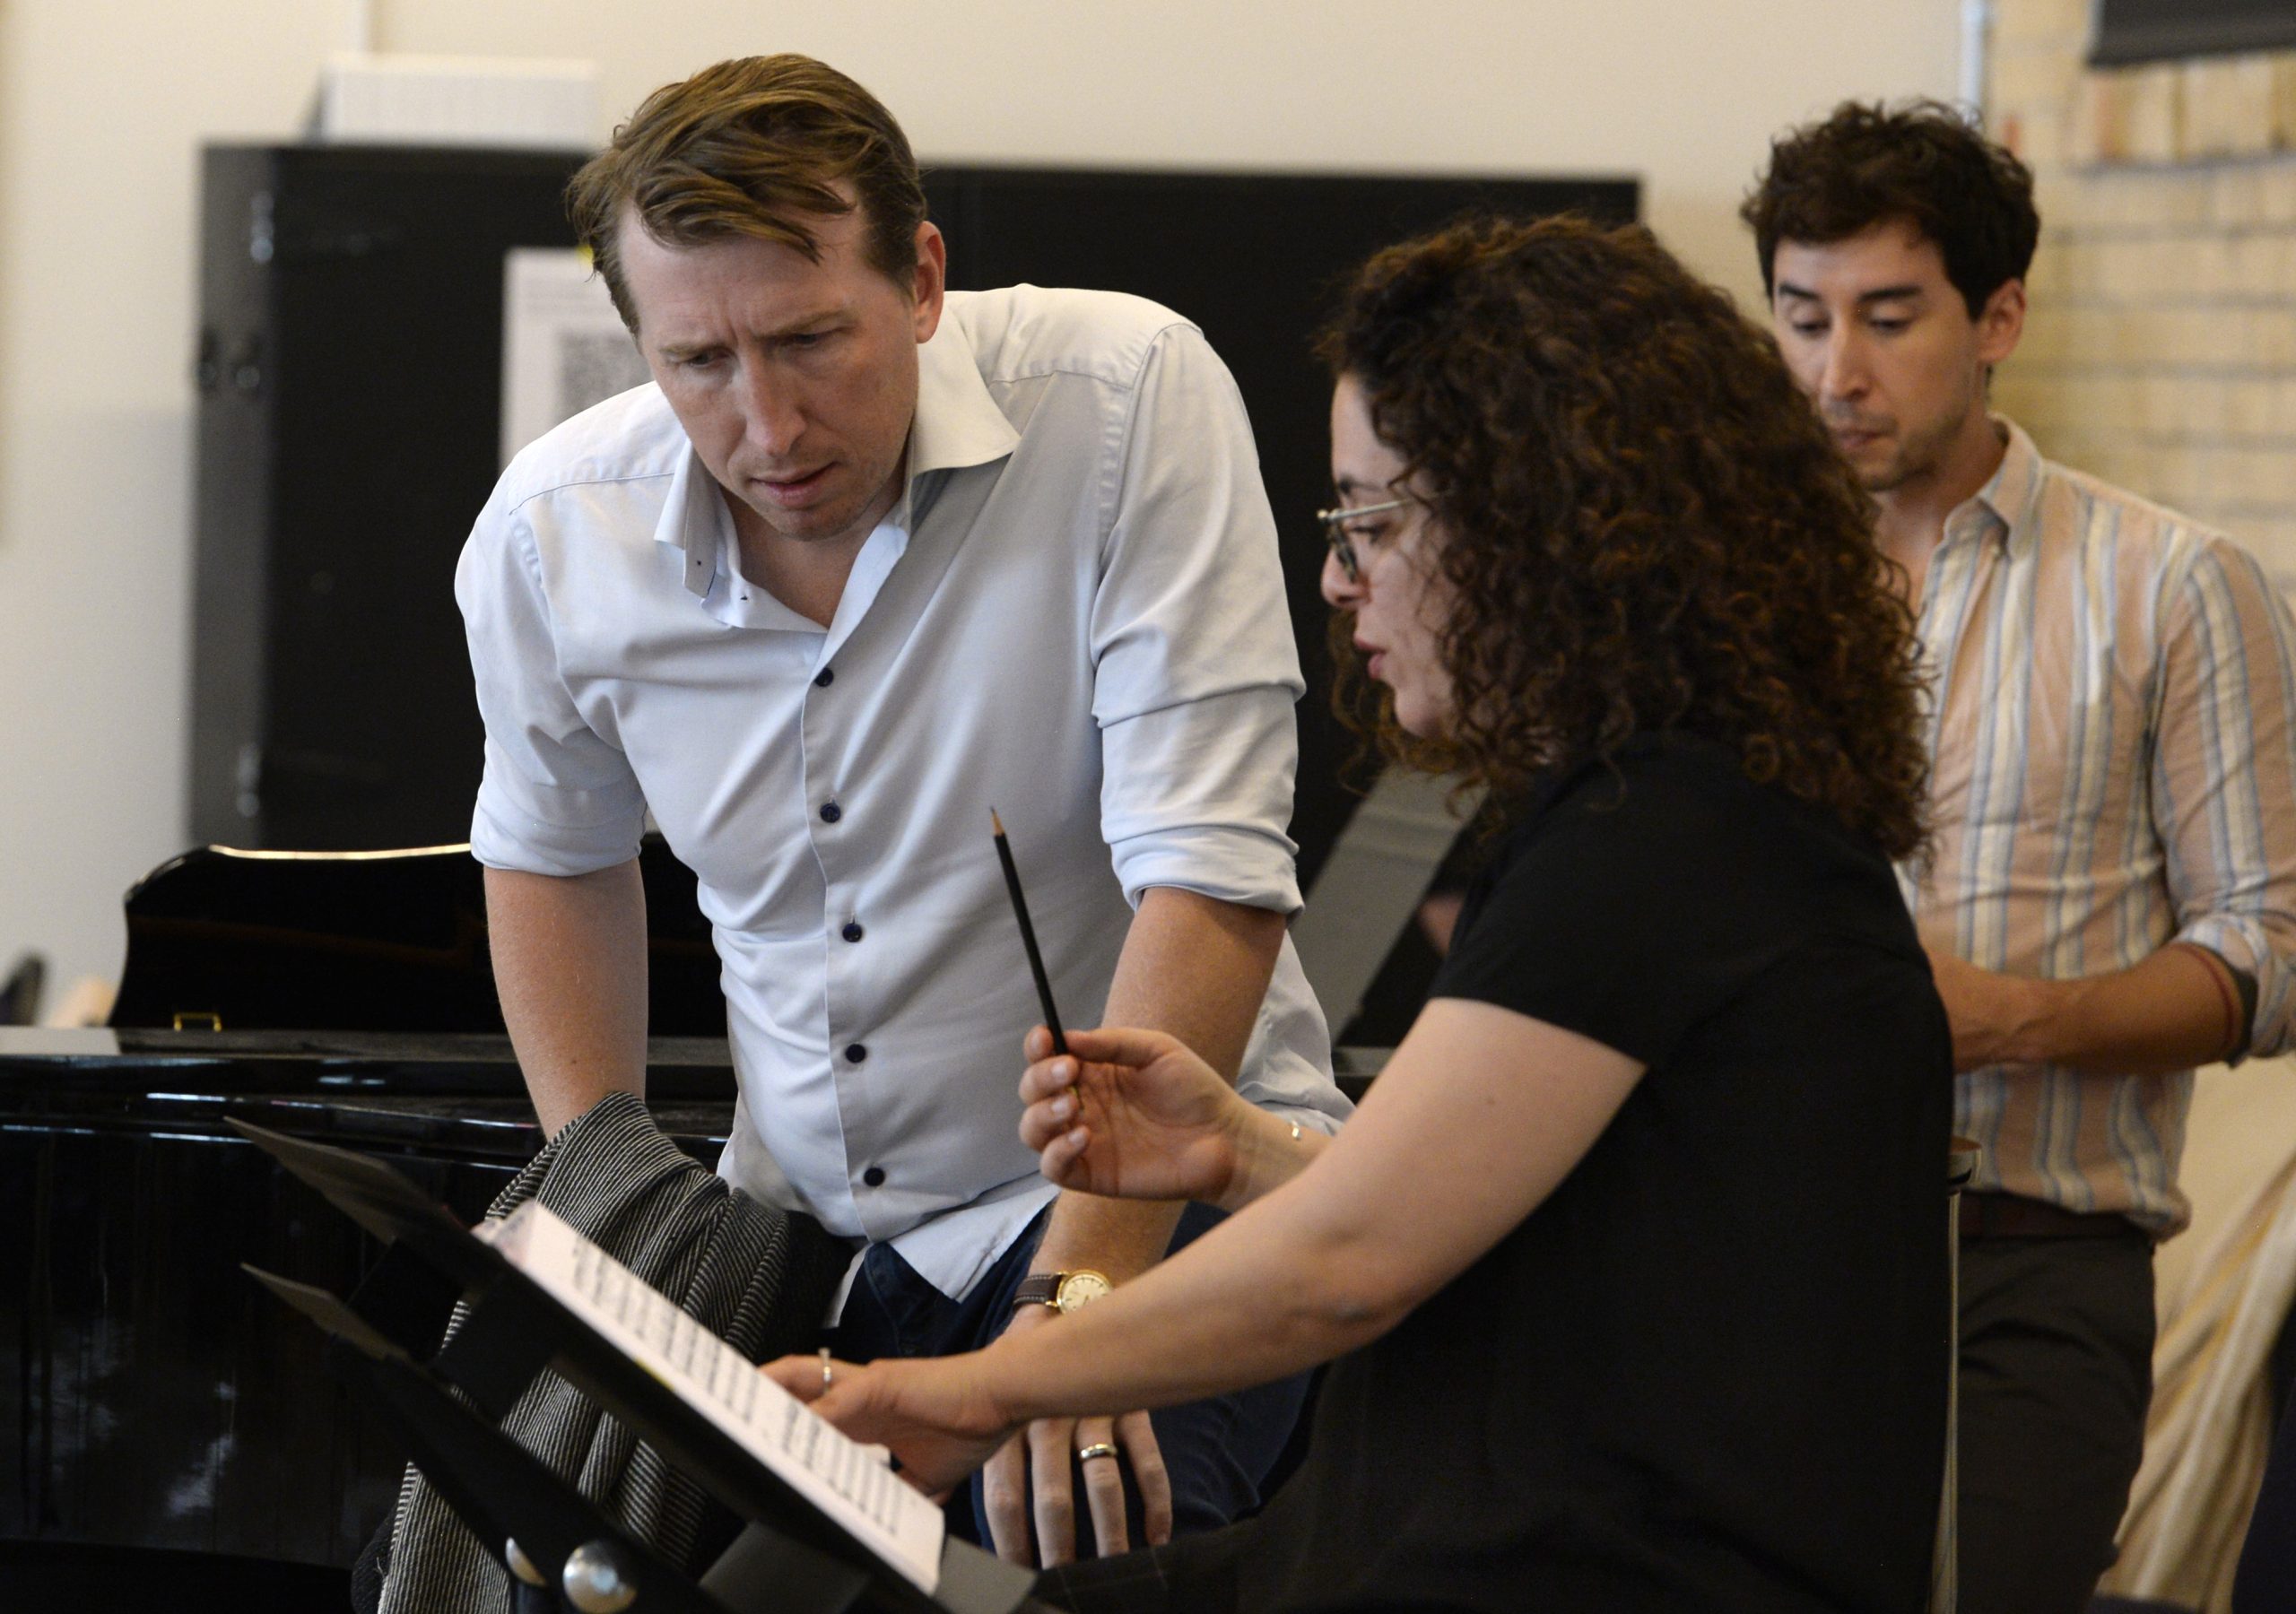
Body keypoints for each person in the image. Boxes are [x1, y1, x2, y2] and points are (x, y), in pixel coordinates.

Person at [770, 214, 1954, 1613]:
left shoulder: (1663, 843)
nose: (1340, 578)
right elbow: (1503, 1230)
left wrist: (972, 1388)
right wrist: (1234, 1155)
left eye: (1374, 521)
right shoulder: (1654, 818)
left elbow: (1350, 1270)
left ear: (1538, 525)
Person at [455, 52, 1349, 1567]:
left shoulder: (1124, 400)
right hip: (800, 1236)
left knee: (1076, 1544)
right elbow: (549, 854)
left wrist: (1079, 1318)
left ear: (923, 278)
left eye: (813, 341)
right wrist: (608, 1203)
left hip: (1151, 1213)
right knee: (571, 1561)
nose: (768, 425)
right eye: (698, 365)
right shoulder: (555, 534)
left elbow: (1209, 874)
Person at [1744, 100, 2296, 1614]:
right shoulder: (1736, 591)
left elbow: (2275, 949)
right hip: (1759, 1243)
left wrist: (2015, 1019)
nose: (1834, 373)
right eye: (1801, 318)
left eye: (1887, 318)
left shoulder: (2174, 586)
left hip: (2031, 1265)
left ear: (1999, 319)